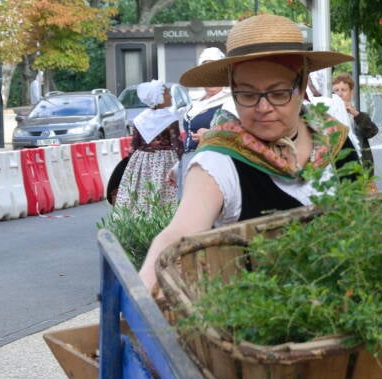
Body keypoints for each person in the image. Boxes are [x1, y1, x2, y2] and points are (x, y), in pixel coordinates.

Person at [138, 13, 358, 290]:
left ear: (302, 86)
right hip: (256, 313)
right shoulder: (219, 159)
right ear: (233, 90)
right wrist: (142, 292)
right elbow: (179, 232)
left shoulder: (335, 139)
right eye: (248, 94)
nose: (263, 108)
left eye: (278, 93)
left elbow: (364, 216)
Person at [114, 80, 182, 214]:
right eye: (167, 93)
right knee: (164, 194)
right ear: (159, 98)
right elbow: (177, 146)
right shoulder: (170, 119)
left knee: (143, 192)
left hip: (142, 162)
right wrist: (183, 163)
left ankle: (143, 218)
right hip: (165, 162)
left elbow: (133, 147)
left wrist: (132, 169)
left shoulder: (140, 119)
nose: (170, 96)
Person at [175, 47, 233, 198]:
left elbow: (242, 135)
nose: (211, 77)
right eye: (207, 72)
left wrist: (211, 135)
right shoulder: (196, 102)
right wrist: (177, 167)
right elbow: (188, 138)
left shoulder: (230, 101)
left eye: (215, 72)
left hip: (213, 164)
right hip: (188, 162)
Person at [332, 72, 379, 171]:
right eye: (336, 90)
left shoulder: (358, 115)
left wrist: (355, 114)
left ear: (351, 93)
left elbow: (373, 131)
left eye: (343, 90)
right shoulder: (329, 114)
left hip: (360, 165)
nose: (339, 94)